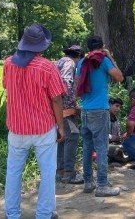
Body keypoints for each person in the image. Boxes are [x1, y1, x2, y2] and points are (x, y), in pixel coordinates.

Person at [3, 23, 66, 218]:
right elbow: (56, 99)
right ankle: (44, 214)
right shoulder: (48, 67)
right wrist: (61, 127)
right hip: (43, 128)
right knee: (47, 173)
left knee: (13, 172)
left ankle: (12, 214)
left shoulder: (8, 63)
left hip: (16, 128)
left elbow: (7, 87)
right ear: (42, 46)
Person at [76, 35, 124, 197]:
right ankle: (102, 185)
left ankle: (88, 182)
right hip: (100, 111)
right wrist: (110, 56)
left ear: (88, 47)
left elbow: (78, 84)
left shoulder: (82, 62)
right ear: (102, 46)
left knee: (87, 148)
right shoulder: (103, 61)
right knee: (102, 148)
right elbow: (119, 77)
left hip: (85, 110)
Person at [56, 45, 84, 184]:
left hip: (57, 106)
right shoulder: (70, 63)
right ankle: (68, 172)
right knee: (72, 135)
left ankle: (60, 171)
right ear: (78, 56)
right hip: (64, 107)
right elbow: (66, 82)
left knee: (62, 138)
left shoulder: (59, 62)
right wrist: (69, 102)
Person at [108, 97, 130, 163]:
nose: (118, 109)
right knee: (117, 149)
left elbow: (119, 135)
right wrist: (117, 138)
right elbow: (103, 136)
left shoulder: (116, 119)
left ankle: (118, 157)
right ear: (109, 105)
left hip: (115, 144)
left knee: (132, 146)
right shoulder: (103, 117)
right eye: (116, 106)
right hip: (104, 145)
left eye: (119, 107)